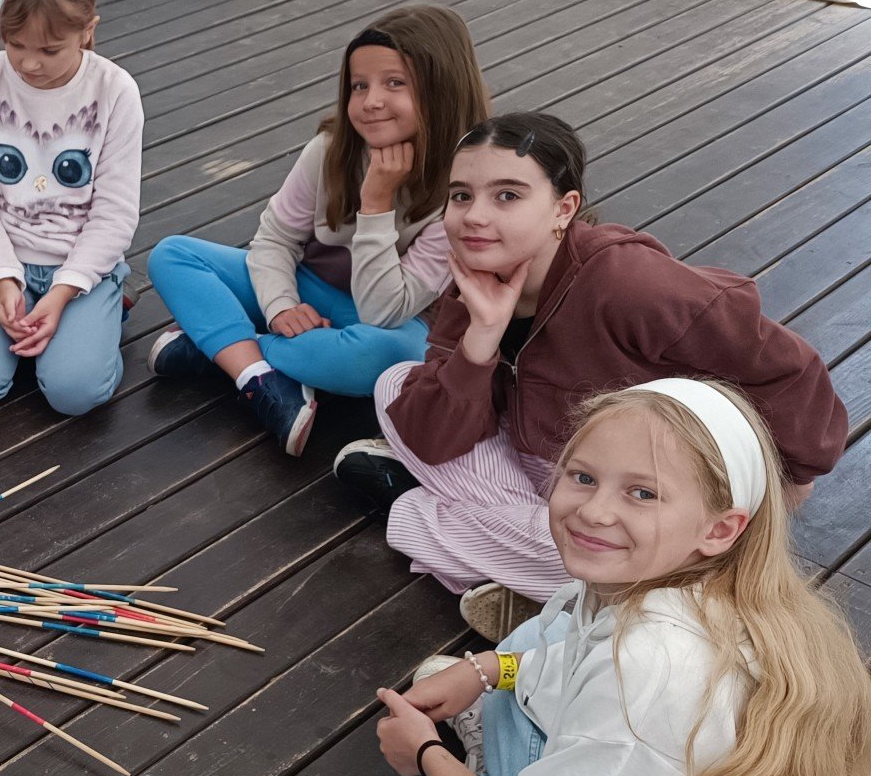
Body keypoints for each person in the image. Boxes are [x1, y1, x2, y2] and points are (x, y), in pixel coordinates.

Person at [350, 380, 870, 776]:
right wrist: (485, 670)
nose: (593, 511)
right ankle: (504, 764)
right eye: (583, 477)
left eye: (642, 493)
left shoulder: (653, 671)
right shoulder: (709, 584)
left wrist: (427, 755)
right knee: (549, 629)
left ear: (719, 528)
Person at [335, 112, 845, 641]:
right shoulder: (471, 283)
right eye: (461, 196)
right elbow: (432, 436)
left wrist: (788, 480)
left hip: (644, 483)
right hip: (555, 460)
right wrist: (482, 334)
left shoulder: (629, 284)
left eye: (507, 195)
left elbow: (790, 368)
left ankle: (420, 517)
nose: (474, 216)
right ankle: (578, 585)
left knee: (598, 536)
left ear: (564, 208)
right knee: (396, 384)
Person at [147, 5, 489, 453]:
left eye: (395, 83)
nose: (371, 101)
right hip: (307, 286)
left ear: (442, 89)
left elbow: (383, 313)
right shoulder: (330, 151)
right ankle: (259, 375)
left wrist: (376, 203)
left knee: (396, 358)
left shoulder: (463, 190)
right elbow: (275, 240)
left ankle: (224, 348)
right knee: (172, 255)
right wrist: (282, 307)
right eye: (359, 85)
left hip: (386, 320)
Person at [0, 0, 143, 417]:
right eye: (15, 44)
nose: (29, 63)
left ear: (88, 30)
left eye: (50, 50)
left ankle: (104, 306)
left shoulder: (116, 91)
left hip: (80, 263)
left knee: (75, 393)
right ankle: (56, 328)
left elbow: (114, 214)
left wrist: (65, 290)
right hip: (2, 258)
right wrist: (3, 281)